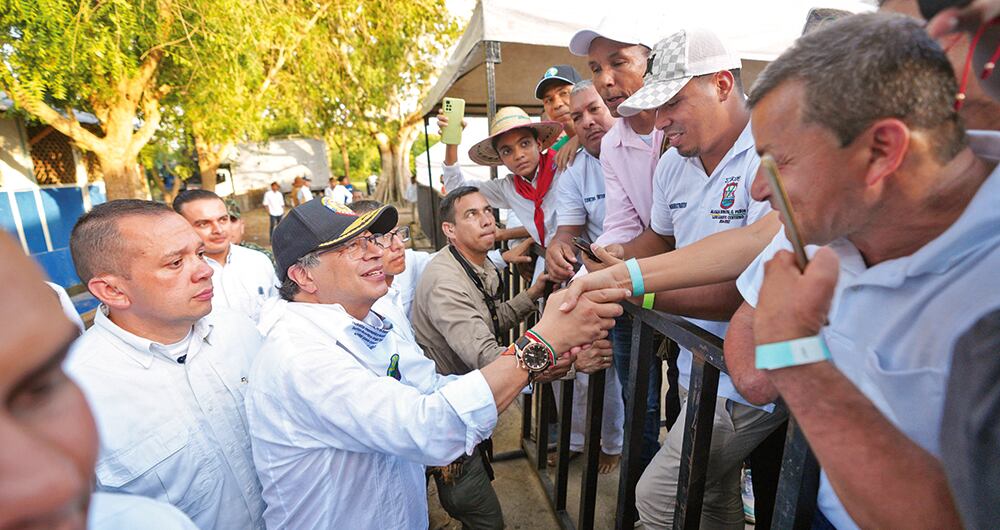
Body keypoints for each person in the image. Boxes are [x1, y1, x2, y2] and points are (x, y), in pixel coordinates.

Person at [725, 13, 999, 529]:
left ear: (881, 152)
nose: (760, 192)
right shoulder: (827, 222)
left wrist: (794, 355)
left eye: (776, 162)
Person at [245, 198, 623, 529]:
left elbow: (435, 388)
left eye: (371, 240)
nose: (377, 252)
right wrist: (541, 343)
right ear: (303, 275)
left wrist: (540, 357)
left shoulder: (372, 320)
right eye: (352, 248)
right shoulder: (299, 356)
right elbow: (429, 428)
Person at [605, 28, 785, 530]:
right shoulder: (672, 165)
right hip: (698, 367)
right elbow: (658, 239)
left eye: (672, 104)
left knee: (660, 498)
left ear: (723, 84)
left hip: (749, 374)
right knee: (710, 496)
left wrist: (632, 285)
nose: (660, 122)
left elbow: (743, 289)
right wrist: (615, 257)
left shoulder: (771, 154)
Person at [66, 200, 266, 530]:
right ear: (112, 290)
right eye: (175, 263)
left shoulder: (240, 331)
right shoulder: (75, 397)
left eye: (199, 254)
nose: (205, 270)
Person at [0, 232, 203, 530]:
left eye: (41, 388)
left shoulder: (147, 521)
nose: (52, 486)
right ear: (110, 290)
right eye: (174, 262)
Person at [411, 187, 563, 528]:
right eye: (471, 214)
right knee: (485, 518)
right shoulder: (446, 282)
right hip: (450, 415)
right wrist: (554, 356)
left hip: (465, 401)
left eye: (487, 211)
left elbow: (492, 321)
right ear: (449, 230)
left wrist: (532, 294)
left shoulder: (476, 265)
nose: (486, 220)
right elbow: (487, 357)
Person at [568, 18, 669, 472]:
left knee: (691, 400)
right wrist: (592, 267)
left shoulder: (680, 128)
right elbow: (623, 224)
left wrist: (611, 264)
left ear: (653, 60)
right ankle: (640, 494)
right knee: (639, 399)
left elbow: (672, 233)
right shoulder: (614, 145)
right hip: (641, 286)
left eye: (619, 62)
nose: (606, 80)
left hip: (702, 289)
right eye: (595, 68)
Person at [541, 80, 625, 472]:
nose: (588, 122)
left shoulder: (647, 147)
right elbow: (566, 230)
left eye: (595, 109)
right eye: (577, 117)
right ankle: (581, 440)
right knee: (581, 361)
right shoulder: (574, 168)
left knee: (628, 377)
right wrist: (557, 252)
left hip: (648, 282)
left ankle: (617, 445)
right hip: (596, 284)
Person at [439, 106, 563, 256]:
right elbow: (456, 189)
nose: (518, 155)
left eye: (524, 144)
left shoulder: (563, 168)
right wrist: (452, 141)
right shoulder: (508, 188)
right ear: (500, 159)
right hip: (549, 258)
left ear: (538, 144)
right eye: (507, 151)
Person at [173, 190, 279, 323]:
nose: (218, 230)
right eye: (204, 224)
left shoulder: (259, 261)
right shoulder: (177, 276)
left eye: (223, 220)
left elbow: (278, 313)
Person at [350, 199, 431, 320]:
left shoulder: (412, 263)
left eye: (397, 232)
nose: (399, 245)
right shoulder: (356, 302)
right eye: (383, 238)